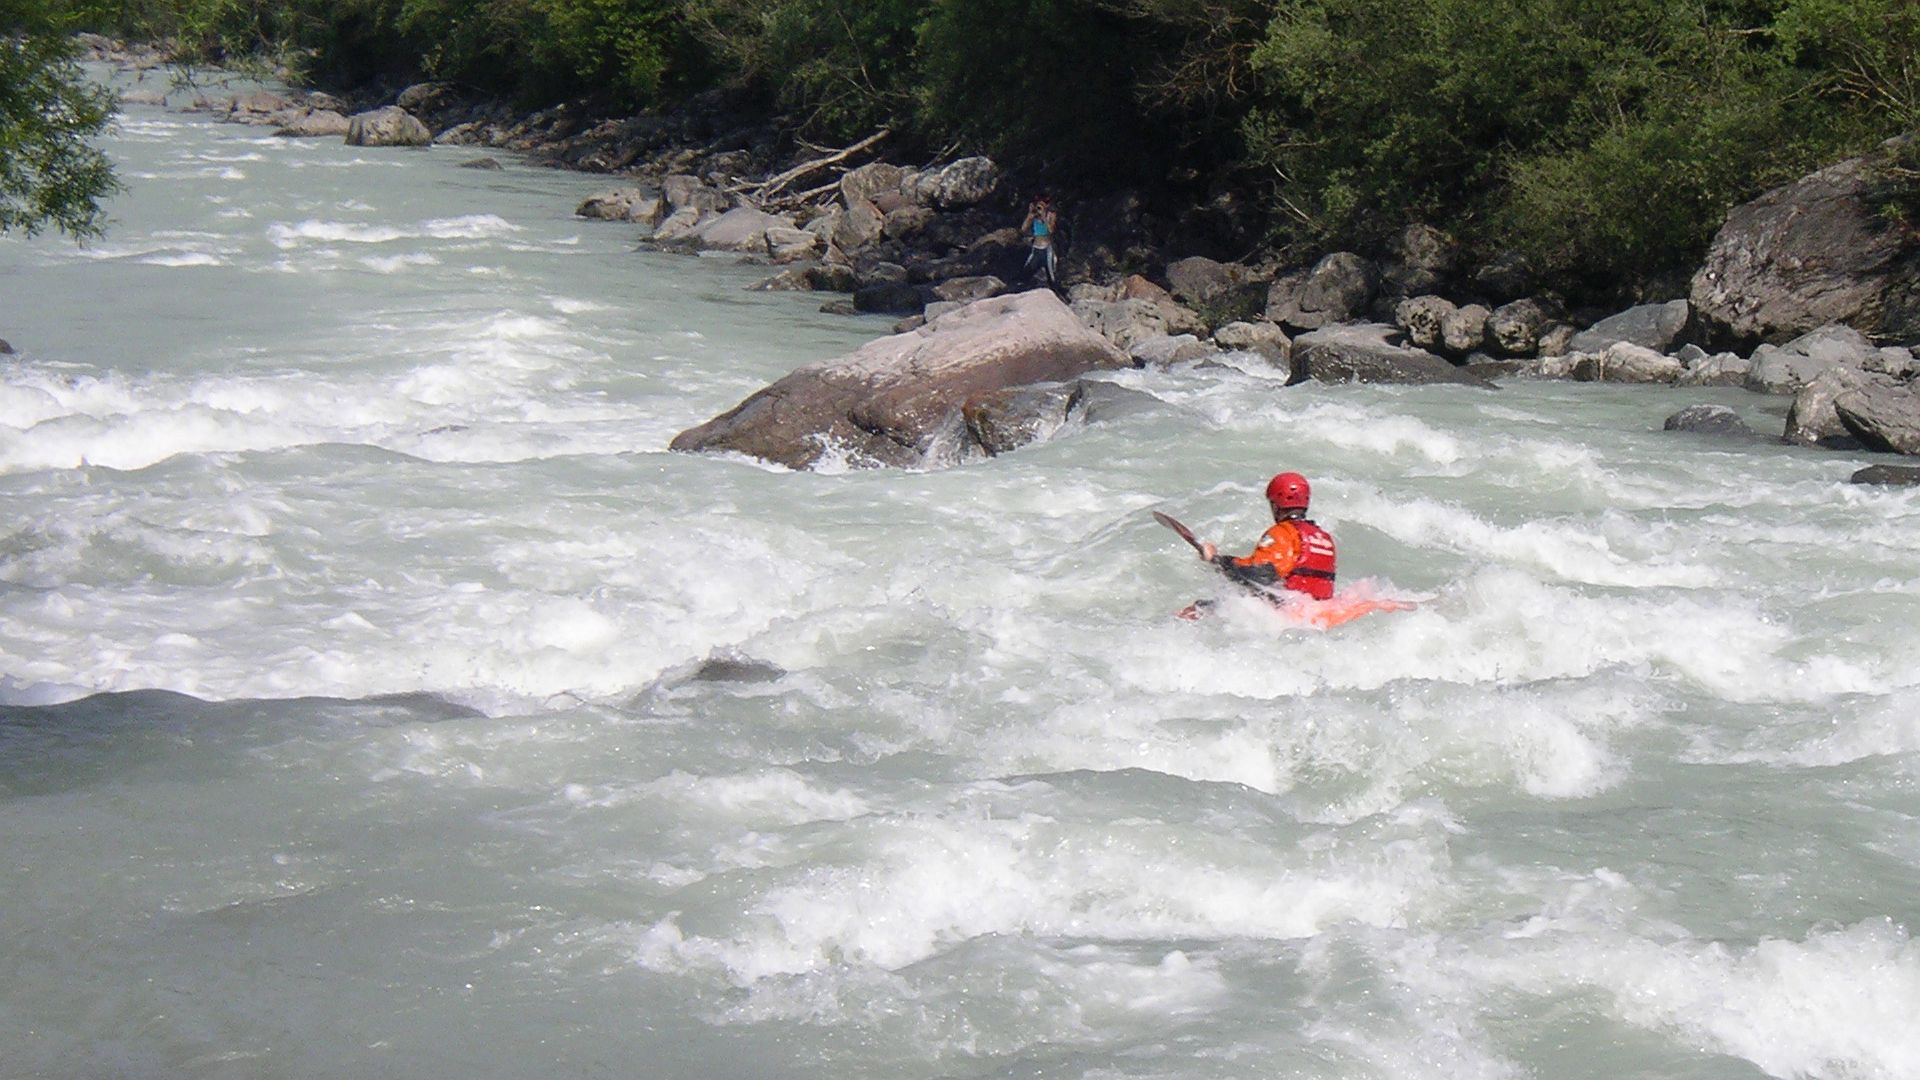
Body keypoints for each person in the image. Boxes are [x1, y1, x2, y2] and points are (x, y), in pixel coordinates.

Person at [1197, 471, 1337, 600]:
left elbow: (1259, 573)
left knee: (1196, 610)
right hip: (1317, 609)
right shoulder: (1324, 538)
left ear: (1275, 505)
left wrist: (1217, 560)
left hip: (1287, 609)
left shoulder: (1284, 532)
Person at [1020, 194, 1058, 288]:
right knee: (1026, 272)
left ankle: (1055, 291)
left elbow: (1051, 230)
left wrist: (1044, 217)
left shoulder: (1051, 215)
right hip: (1036, 248)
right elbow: (1023, 229)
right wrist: (1030, 216)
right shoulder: (1034, 216)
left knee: (1051, 277)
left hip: (1047, 249)